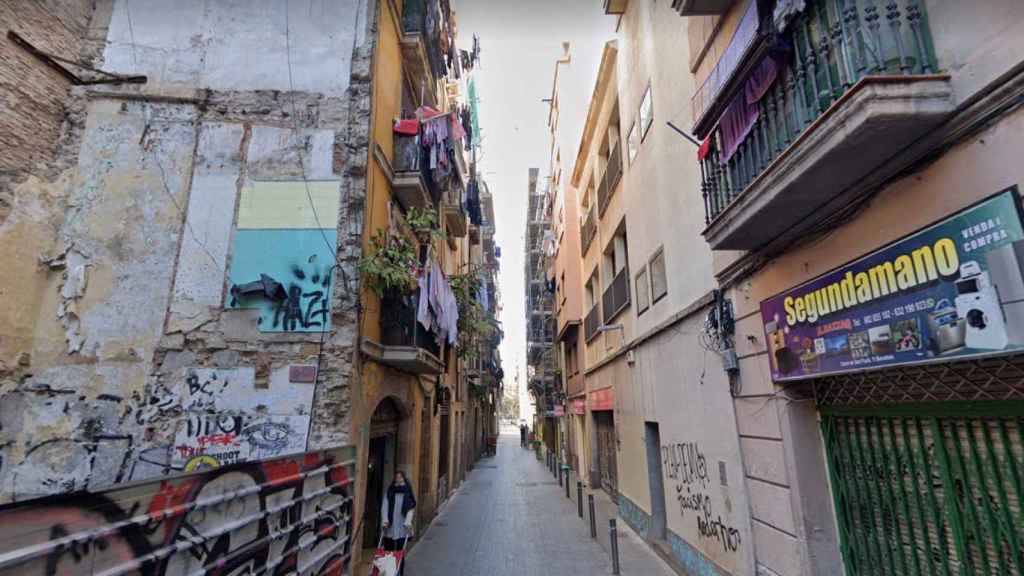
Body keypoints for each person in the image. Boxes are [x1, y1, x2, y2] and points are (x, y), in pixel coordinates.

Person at [381, 471, 416, 575]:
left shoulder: (407, 491)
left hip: (402, 525)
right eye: (396, 477)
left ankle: (400, 572)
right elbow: (385, 506)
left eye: (400, 477)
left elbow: (410, 508)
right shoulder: (390, 490)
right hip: (390, 525)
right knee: (389, 552)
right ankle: (389, 572)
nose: (398, 479)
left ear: (404, 479)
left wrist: (408, 521)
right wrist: (385, 520)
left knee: (400, 552)